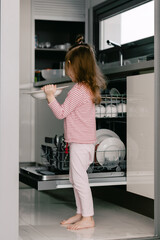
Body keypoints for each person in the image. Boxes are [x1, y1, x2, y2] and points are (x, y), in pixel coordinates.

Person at [42, 37, 106, 230]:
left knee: (79, 179)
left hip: (80, 143)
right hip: (83, 142)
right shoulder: (86, 88)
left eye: (67, 66)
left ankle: (88, 217)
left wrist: (50, 97)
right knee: (75, 178)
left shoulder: (78, 91)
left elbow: (61, 113)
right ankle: (81, 213)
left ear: (74, 67)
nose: (66, 70)